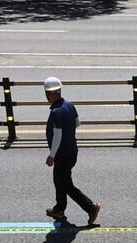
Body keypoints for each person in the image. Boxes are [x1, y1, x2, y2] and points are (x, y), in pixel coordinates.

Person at [44, 76, 101, 227]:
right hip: (72, 151)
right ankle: (59, 208)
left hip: (62, 154)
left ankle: (91, 207)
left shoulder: (56, 112)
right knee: (59, 179)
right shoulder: (70, 105)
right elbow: (77, 124)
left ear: (49, 94)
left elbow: (57, 135)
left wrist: (52, 155)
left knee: (66, 184)